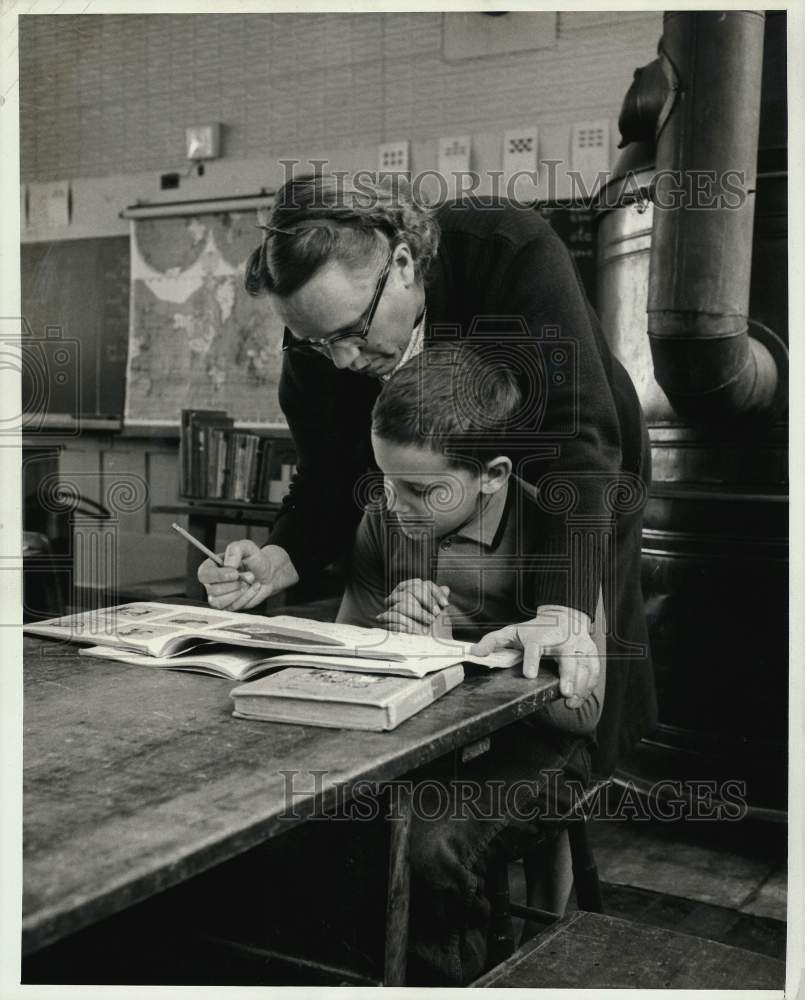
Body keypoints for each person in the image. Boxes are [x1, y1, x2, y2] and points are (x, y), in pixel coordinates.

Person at [198, 171, 655, 775]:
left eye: (351, 333)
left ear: (405, 265)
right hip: (437, 496)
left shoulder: (504, 249)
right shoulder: (317, 349)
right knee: (441, 641)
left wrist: (561, 611)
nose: (341, 361)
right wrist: (279, 558)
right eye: (313, 342)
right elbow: (327, 475)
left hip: (572, 478)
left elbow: (580, 442)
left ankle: (558, 805)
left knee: (567, 671)